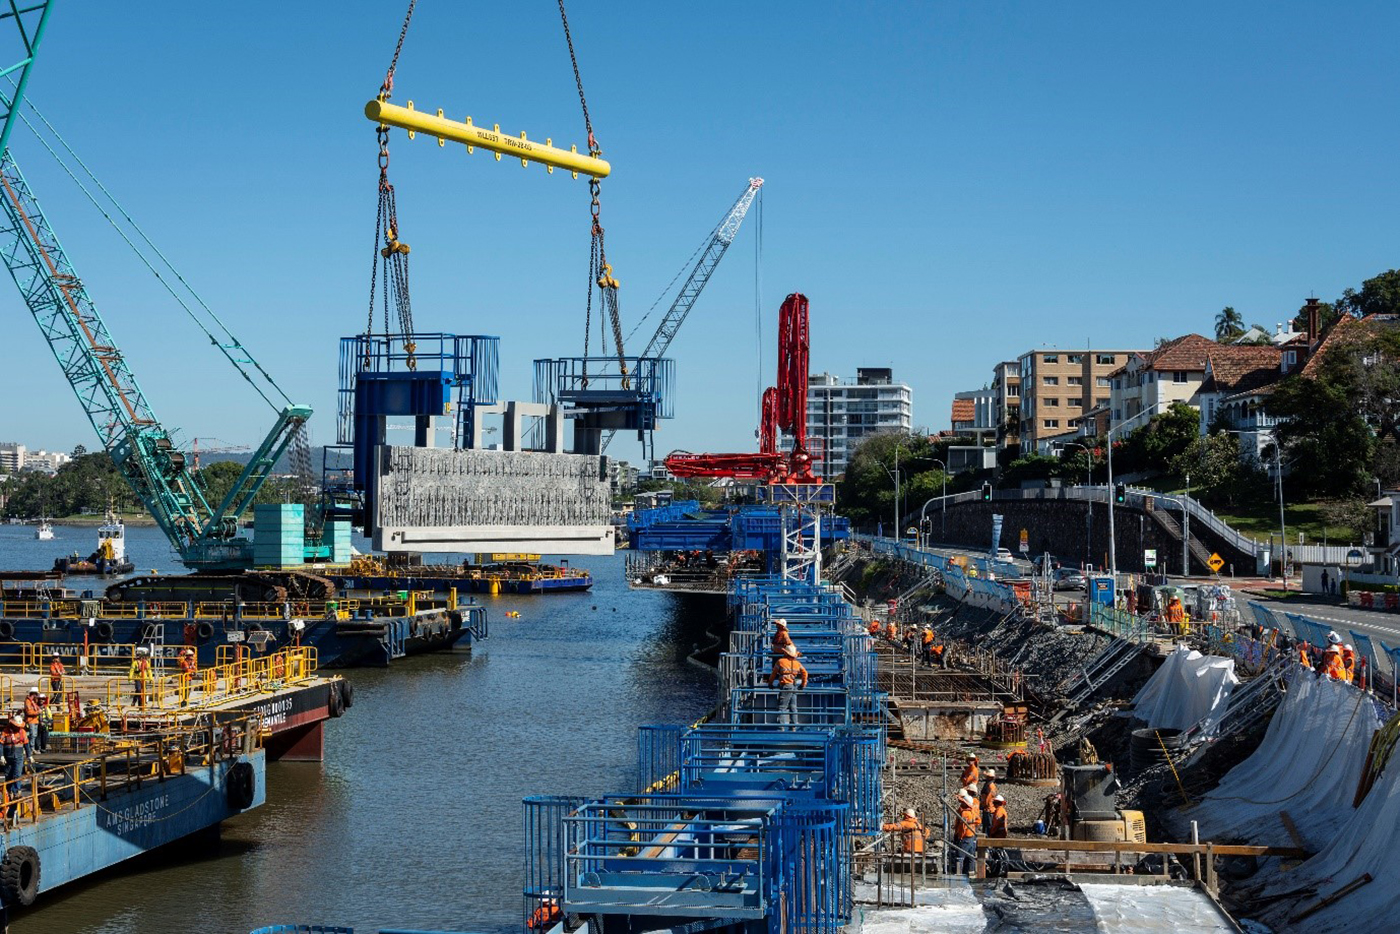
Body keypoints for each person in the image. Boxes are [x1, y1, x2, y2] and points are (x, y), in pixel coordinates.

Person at [767, 645, 808, 728]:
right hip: (794, 685)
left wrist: (770, 683)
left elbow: (773, 674)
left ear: (785, 653)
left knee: (782, 707)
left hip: (785, 686)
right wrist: (803, 685)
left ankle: (781, 727)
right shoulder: (797, 663)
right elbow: (805, 673)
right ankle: (793, 726)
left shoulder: (780, 662)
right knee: (793, 707)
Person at [951, 790, 979, 875]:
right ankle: (971, 873)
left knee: (959, 857)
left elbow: (962, 828)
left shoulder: (965, 813)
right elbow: (978, 821)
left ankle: (958, 875)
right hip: (971, 837)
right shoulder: (973, 811)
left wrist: (959, 837)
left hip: (965, 838)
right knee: (971, 857)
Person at [1, 714, 27, 803]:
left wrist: (29, 755)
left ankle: (16, 791)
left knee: (17, 773)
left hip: (18, 756)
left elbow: (26, 744)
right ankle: (8, 792)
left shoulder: (22, 732)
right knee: (8, 775)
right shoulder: (5, 732)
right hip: (8, 757)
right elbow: (0, 744)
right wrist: (1, 756)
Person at [979, 769, 999, 834]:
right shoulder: (988, 785)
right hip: (986, 809)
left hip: (989, 809)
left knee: (988, 826)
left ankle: (989, 840)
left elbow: (989, 799)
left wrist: (984, 805)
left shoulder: (991, 786)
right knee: (985, 826)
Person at [22, 689, 40, 754]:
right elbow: (29, 712)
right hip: (30, 721)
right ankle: (30, 748)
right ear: (33, 694)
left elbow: (37, 708)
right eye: (36, 695)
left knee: (34, 735)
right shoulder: (28, 702)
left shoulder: (33, 702)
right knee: (32, 735)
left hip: (34, 721)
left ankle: (31, 748)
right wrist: (37, 712)